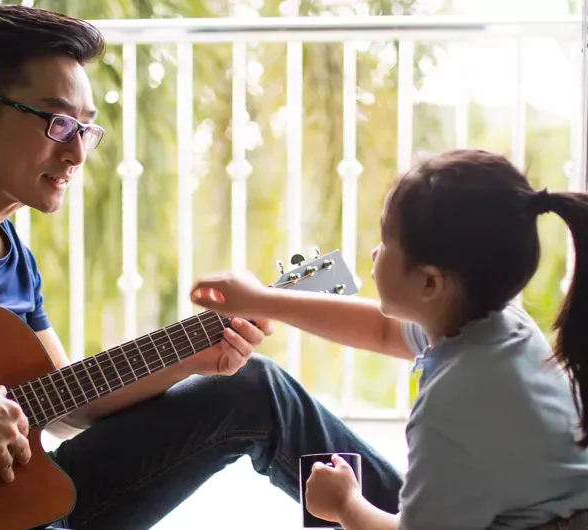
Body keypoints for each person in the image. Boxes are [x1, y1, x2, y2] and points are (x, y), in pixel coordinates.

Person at [0, 5, 406, 529]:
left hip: (17, 502)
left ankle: (427, 521)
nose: (77, 154)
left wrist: (193, 359)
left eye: (86, 129)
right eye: (57, 123)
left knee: (252, 388)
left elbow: (63, 402)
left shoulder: (13, 257)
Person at [191, 148, 588, 529]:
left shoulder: (452, 406)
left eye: (387, 242)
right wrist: (263, 300)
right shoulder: (500, 324)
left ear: (430, 282)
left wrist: (346, 505)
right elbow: (381, 330)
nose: (374, 252)